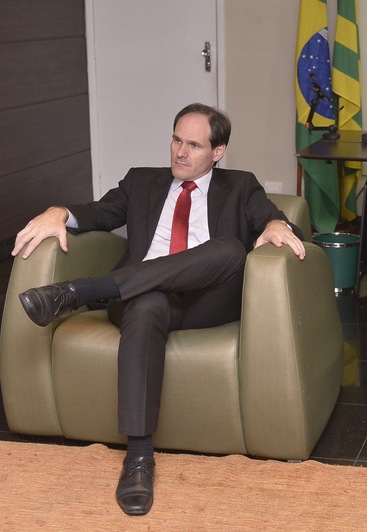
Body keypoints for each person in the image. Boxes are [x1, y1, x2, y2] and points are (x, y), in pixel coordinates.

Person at [12, 103, 305, 517]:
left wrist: (276, 225)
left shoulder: (241, 186)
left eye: (194, 145)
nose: (180, 152)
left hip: (205, 301)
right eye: (176, 140)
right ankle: (138, 458)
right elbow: (99, 213)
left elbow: (275, 221)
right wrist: (58, 212)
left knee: (228, 248)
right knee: (148, 302)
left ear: (218, 151)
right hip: (141, 298)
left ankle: (80, 292)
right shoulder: (141, 181)